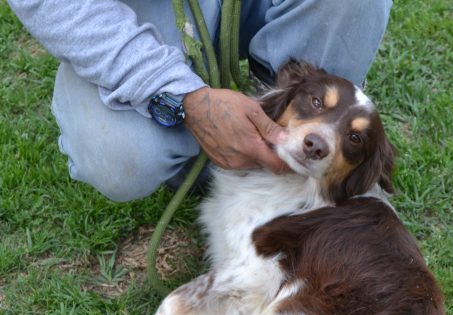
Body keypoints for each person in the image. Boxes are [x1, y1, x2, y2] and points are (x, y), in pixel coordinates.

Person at [6, 0, 393, 201]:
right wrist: (181, 97)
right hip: (134, 12)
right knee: (121, 156)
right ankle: (193, 153)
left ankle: (293, 172)